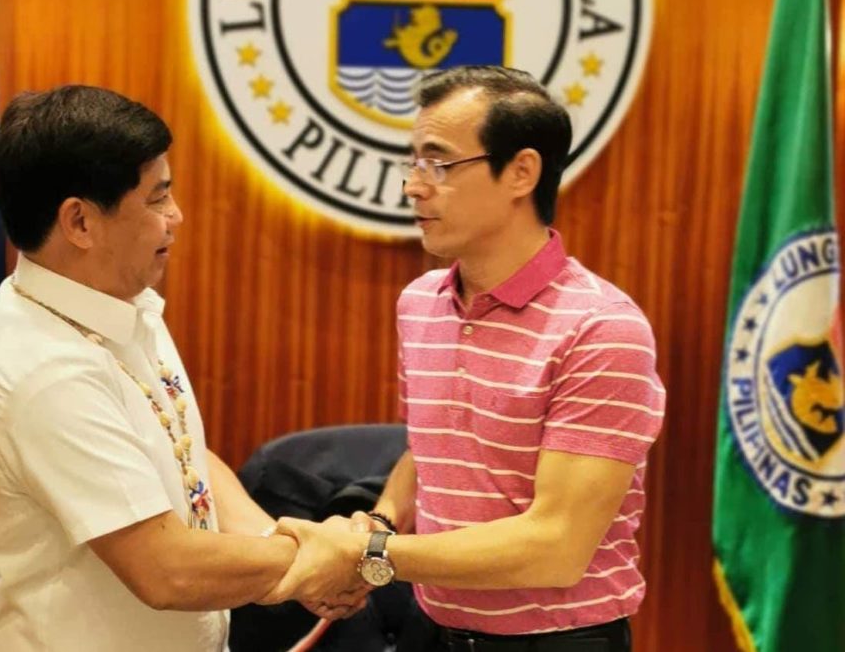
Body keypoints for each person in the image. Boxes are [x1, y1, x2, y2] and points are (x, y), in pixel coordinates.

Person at [272, 66, 666, 652]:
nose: (412, 186)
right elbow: (432, 447)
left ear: (521, 172)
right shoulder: (420, 303)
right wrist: (380, 521)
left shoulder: (601, 329)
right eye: (413, 163)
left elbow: (555, 548)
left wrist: (366, 556)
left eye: (439, 164)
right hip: (431, 630)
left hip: (557, 641)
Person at [0, 85, 300, 650]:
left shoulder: (119, 297)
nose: (177, 216)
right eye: (157, 199)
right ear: (80, 223)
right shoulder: (47, 371)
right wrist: (310, 561)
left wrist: (273, 538)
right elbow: (165, 569)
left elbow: (181, 453)